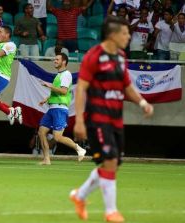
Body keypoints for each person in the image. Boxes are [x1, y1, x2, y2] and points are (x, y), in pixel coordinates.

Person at [70, 16, 154, 223]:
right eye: (125, 33)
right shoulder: (94, 56)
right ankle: (111, 212)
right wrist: (79, 120)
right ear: (113, 34)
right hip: (97, 118)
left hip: (116, 119)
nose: (128, 37)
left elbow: (126, 86)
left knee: (112, 164)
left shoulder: (121, 57)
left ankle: (79, 196)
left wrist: (143, 103)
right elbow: (81, 88)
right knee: (109, 160)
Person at [38, 53, 86, 165]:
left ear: (64, 62)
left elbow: (64, 91)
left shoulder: (66, 74)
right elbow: (57, 91)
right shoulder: (59, 75)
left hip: (60, 109)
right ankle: (46, 159)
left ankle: (79, 149)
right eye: (54, 59)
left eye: (57, 59)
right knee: (41, 132)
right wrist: (46, 98)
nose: (54, 60)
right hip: (52, 108)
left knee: (57, 137)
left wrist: (49, 85)